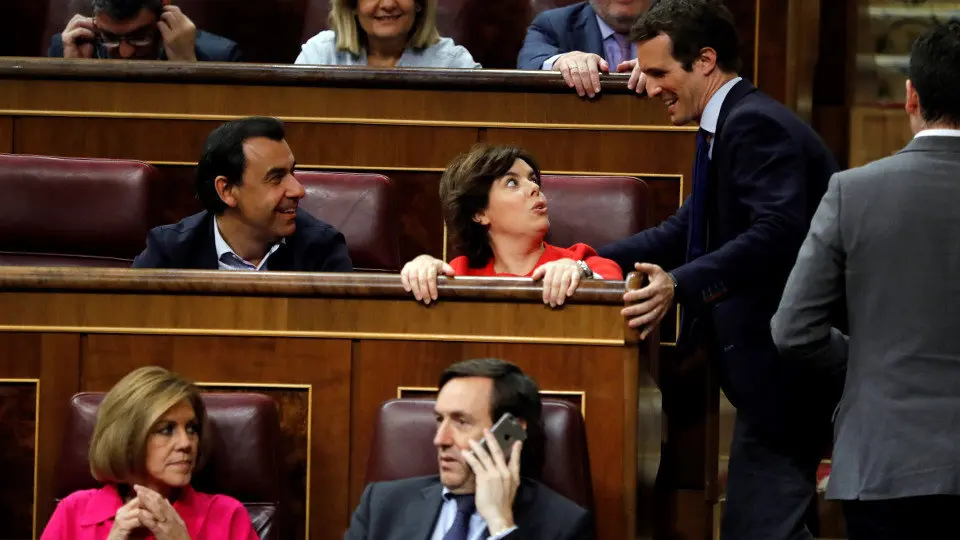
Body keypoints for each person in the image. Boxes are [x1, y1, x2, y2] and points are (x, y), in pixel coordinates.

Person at [597, 1, 843, 538]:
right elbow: (686, 228)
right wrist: (590, 259)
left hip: (786, 371)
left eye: (660, 72)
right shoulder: (726, 123)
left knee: (757, 527)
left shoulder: (753, 124)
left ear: (705, 60)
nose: (650, 87)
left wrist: (678, 284)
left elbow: (779, 232)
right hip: (771, 372)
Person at [771, 21, 960, 540]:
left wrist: (866, 358)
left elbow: (793, 329)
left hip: (883, 461)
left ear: (910, 96)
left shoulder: (852, 191)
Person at [345, 358, 592, 539]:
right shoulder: (382, 504)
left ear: (510, 432)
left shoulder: (563, 525)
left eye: (461, 422)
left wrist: (501, 524)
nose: (440, 439)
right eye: (439, 420)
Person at [41, 366, 258, 539]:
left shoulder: (227, 516)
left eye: (191, 428)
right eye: (166, 430)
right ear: (127, 438)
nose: (186, 443)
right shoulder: (74, 511)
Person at [400, 145, 622, 307]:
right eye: (512, 182)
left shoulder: (579, 260)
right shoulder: (460, 273)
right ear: (479, 213)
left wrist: (581, 274)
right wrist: (420, 272)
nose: (535, 188)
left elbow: (614, 288)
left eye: (533, 179)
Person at [132, 117, 353, 271]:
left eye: (292, 172)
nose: (298, 190)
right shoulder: (169, 253)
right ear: (226, 190)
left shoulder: (322, 251)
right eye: (276, 178)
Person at [517, 0, 655, 97]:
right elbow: (529, 63)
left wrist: (661, 66)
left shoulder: (670, 23)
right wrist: (562, 62)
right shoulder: (553, 24)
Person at [295, 0, 479, 68]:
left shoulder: (452, 63)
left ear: (419, 3)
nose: (388, 4)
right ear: (352, 5)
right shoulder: (320, 55)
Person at [48, 0, 241, 61]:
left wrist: (187, 66)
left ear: (164, 13)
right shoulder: (67, 48)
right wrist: (74, 74)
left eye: (139, 37)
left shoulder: (221, 56)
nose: (125, 52)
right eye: (109, 37)